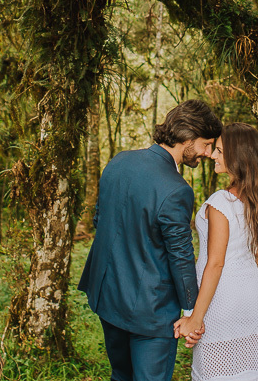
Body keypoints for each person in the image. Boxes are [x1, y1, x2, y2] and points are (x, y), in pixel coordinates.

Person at [78, 99, 223, 381]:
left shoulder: (118, 161)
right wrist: (193, 310)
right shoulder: (177, 189)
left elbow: (100, 220)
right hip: (151, 312)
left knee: (120, 375)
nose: (207, 153)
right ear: (188, 137)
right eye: (206, 144)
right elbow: (180, 257)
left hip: (107, 298)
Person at [176, 122, 258, 381]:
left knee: (213, 374)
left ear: (238, 155)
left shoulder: (221, 202)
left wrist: (195, 318)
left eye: (219, 150)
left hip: (221, 302)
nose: (212, 155)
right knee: (246, 373)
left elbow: (215, 264)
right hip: (253, 300)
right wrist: (251, 295)